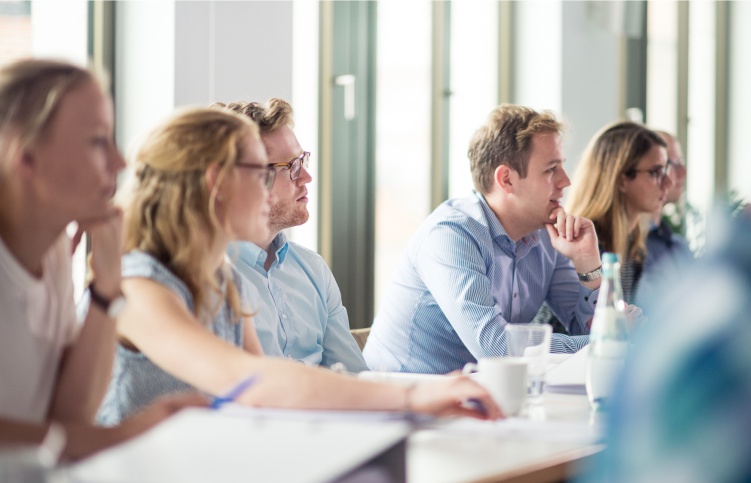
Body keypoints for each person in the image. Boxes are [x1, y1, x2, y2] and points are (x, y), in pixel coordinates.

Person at [96, 106, 502, 425]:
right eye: (261, 173)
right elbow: (251, 382)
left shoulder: (222, 276)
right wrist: (412, 396)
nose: (283, 186)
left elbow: (262, 384)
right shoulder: (140, 286)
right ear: (216, 183)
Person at [584, 2, 751, 483]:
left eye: (670, 167)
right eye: (658, 170)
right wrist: (588, 269)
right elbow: (581, 330)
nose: (672, 179)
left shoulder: (671, 249)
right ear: (623, 180)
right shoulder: (744, 357)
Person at [0, 59, 201, 461]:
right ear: (25, 158)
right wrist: (122, 438)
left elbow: (70, 418)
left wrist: (107, 287)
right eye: (97, 141)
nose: (120, 162)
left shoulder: (55, 252)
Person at [364, 105, 604, 374]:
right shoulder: (451, 235)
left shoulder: (547, 235)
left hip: (475, 397)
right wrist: (606, 346)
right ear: (506, 179)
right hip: (403, 401)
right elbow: (497, 348)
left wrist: (587, 262)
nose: (566, 181)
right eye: (551, 169)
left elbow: (587, 327)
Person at [213, 98, 367, 372]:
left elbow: (354, 375)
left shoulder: (313, 269)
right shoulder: (208, 274)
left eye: (303, 160)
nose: (306, 176)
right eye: (291, 166)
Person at [565, 122, 673, 304]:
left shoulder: (634, 246)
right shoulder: (579, 243)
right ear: (622, 180)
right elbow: (553, 325)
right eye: (656, 172)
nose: (668, 183)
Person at [645, 130, 692, 272]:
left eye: (681, 163)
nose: (683, 172)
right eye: (671, 164)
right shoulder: (614, 247)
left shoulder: (677, 246)